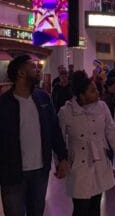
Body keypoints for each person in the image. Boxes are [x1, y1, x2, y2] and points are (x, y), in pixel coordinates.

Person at [0, 55, 68, 216]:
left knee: (36, 212)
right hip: (12, 174)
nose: (38, 69)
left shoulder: (43, 98)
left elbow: (54, 130)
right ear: (21, 73)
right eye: (33, 67)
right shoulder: (4, 104)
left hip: (40, 171)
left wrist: (63, 157)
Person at [58, 71, 115, 216]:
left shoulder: (102, 107)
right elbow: (59, 140)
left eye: (96, 89)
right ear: (81, 95)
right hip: (78, 165)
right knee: (80, 209)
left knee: (95, 207)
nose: (98, 92)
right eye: (92, 91)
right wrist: (61, 162)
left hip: (99, 163)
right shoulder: (66, 112)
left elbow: (112, 131)